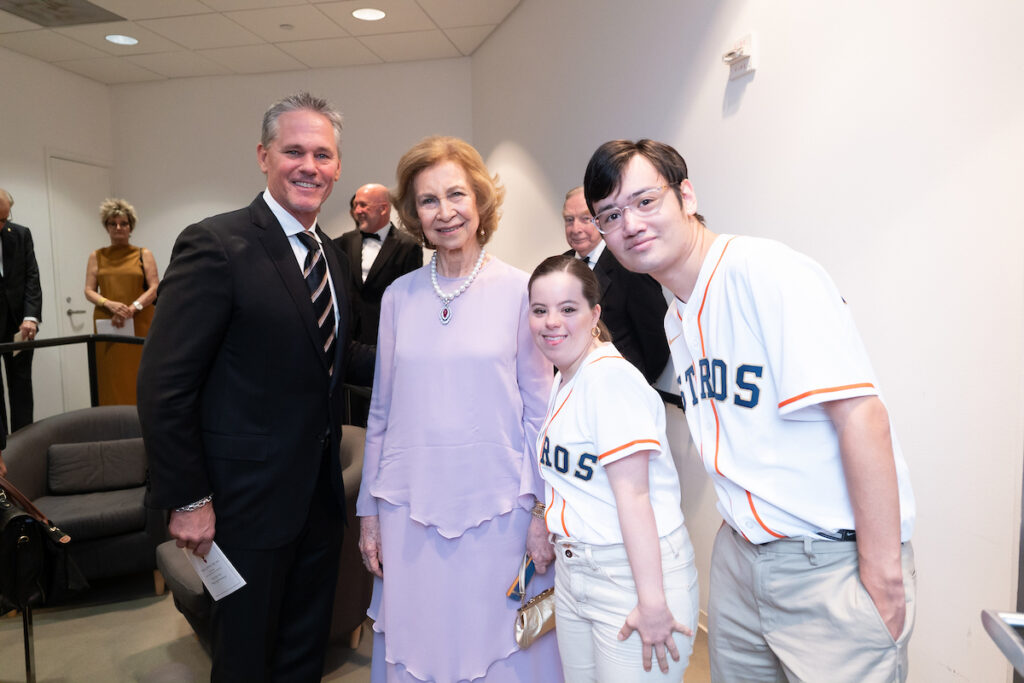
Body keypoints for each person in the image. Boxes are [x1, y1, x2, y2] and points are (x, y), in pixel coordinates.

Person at [583, 139, 917, 682]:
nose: (631, 224)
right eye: (611, 215)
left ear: (686, 195)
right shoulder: (677, 317)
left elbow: (862, 417)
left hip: (827, 563)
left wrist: (882, 576)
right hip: (741, 558)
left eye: (646, 201)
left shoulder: (765, 272)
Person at [137, 92, 373, 682]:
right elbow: (164, 385)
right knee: (244, 658)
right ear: (264, 156)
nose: (309, 166)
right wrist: (188, 499)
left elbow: (335, 360)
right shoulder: (215, 244)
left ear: (338, 166)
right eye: (294, 151)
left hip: (318, 503)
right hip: (240, 507)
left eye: (323, 154)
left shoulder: (330, 256)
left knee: (302, 653)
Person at [357, 136, 561, 682]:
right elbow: (380, 412)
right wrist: (368, 513)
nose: (444, 212)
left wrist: (541, 513)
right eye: (428, 201)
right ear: (413, 214)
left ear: (480, 202)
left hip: (501, 511)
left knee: (498, 644)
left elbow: (539, 414)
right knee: (419, 641)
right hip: (409, 509)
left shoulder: (522, 292)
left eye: (456, 195)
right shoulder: (398, 296)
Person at [528, 255, 697, 681]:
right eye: (539, 310)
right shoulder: (566, 376)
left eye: (568, 309)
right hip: (575, 574)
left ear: (594, 314)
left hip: (630, 576)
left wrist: (653, 602)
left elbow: (634, 496)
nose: (552, 322)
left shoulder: (609, 380)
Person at [560, 186, 669, 385]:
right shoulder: (558, 268)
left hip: (620, 391)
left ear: (600, 221)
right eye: (569, 220)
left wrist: (633, 385)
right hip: (568, 390)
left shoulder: (630, 265)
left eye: (585, 219)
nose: (576, 229)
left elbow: (657, 341)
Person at [335, 183, 422, 426]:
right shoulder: (342, 243)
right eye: (355, 206)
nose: (357, 211)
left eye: (362, 205)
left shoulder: (408, 247)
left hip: (384, 341)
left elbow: (411, 301)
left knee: (382, 413)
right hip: (349, 342)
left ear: (383, 208)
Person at [84, 199, 159, 405]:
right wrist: (109, 304)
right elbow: (89, 290)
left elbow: (154, 288)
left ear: (130, 226)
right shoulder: (96, 256)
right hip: (108, 323)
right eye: (113, 223)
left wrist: (133, 307)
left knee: (138, 373)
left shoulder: (143, 254)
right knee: (109, 374)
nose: (118, 228)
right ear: (106, 227)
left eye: (123, 223)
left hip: (139, 321)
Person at [0, 188, 42, 437]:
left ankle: (24, 445)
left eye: (5, 218)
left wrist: (31, 317)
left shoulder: (21, 234)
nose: (3, 224)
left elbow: (32, 278)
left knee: (21, 387)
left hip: (19, 325)